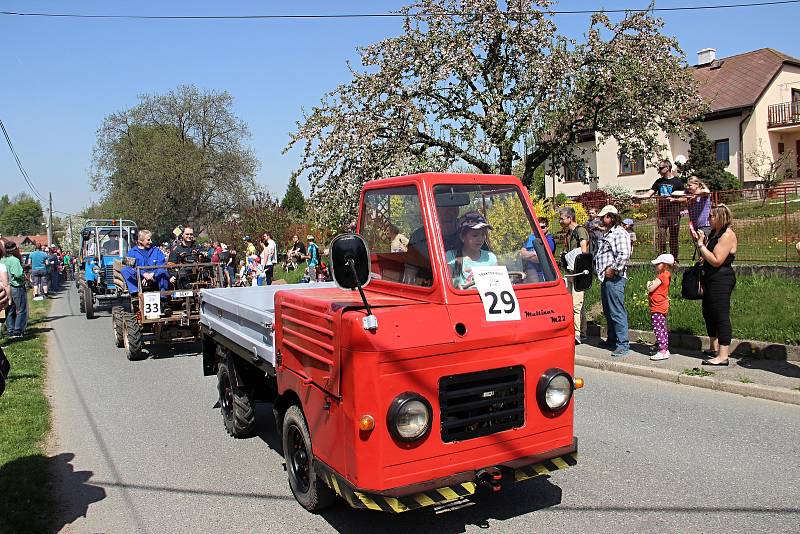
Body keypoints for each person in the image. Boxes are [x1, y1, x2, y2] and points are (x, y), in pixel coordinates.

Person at [694, 204, 737, 366]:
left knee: (720, 314)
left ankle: (723, 355)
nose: (708, 218)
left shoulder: (727, 235)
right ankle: (713, 346)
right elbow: (707, 255)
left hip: (721, 279)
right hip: (709, 277)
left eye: (711, 216)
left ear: (720, 217)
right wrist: (702, 245)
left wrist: (701, 245)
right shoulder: (714, 233)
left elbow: (717, 260)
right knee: (708, 312)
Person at [594, 205, 632, 357]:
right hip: (607, 277)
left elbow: (624, 253)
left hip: (614, 277)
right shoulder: (609, 232)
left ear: (610, 217)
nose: (602, 219)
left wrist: (613, 268)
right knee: (609, 311)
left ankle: (623, 344)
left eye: (604, 217)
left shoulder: (619, 233)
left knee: (616, 311)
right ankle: (612, 339)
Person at [634, 159, 684, 258]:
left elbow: (684, 197)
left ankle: (674, 258)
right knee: (661, 236)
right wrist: (638, 197)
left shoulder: (677, 181)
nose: (659, 170)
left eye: (661, 168)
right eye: (659, 168)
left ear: (668, 168)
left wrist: (675, 200)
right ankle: (662, 257)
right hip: (662, 214)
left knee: (673, 238)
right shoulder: (658, 182)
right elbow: (649, 194)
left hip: (674, 213)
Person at [557, 207, 590, 345]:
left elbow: (584, 251)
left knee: (576, 303)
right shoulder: (569, 233)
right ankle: (582, 331)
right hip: (570, 271)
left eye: (562, 218)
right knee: (574, 302)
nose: (560, 221)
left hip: (578, 272)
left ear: (570, 218)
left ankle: (577, 333)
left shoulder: (580, 231)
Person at [446, 212, 498, 289]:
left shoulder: (490, 257)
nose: (480, 239)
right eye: (475, 235)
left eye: (483, 234)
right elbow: (449, 287)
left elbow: (498, 284)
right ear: (462, 237)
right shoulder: (452, 257)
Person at [122, 229, 169, 296]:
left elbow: (162, 265)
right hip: (139, 279)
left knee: (163, 272)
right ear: (140, 241)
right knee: (125, 270)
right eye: (148, 240)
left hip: (154, 277)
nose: (151, 242)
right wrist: (143, 274)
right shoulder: (132, 252)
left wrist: (152, 274)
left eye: (150, 239)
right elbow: (128, 266)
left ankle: (163, 297)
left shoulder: (156, 251)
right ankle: (135, 293)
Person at [647, 253, 674, 361]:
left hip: (657, 306)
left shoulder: (661, 276)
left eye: (658, 264)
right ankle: (665, 349)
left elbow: (651, 288)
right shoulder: (667, 274)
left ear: (665, 265)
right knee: (663, 328)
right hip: (662, 305)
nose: (656, 266)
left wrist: (649, 283)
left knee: (658, 329)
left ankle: (662, 350)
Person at [2, 242, 28, 338]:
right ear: (14, 249)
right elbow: (17, 274)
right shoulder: (15, 260)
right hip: (16, 286)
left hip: (5, 287)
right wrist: (23, 277)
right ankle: (18, 330)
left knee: (9, 309)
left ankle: (10, 330)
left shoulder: (2, 260)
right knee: (21, 309)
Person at [520, 217, 556, 283]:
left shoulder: (549, 240)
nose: (539, 229)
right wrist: (534, 253)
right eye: (537, 227)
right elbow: (521, 254)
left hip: (544, 273)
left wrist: (527, 256)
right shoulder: (531, 237)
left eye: (542, 227)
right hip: (530, 271)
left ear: (547, 227)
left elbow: (540, 259)